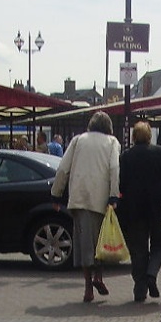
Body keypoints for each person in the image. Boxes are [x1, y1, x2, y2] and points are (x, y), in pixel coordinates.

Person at [50, 111, 120, 303]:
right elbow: (114, 168)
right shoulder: (112, 142)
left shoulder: (77, 140)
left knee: (84, 244)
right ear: (108, 127)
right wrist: (114, 195)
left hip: (79, 198)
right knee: (101, 241)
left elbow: (63, 168)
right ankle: (99, 276)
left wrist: (56, 194)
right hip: (101, 198)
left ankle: (88, 287)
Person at [118, 121, 161, 302]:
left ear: (134, 137)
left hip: (134, 207)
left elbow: (122, 183)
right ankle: (152, 273)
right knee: (160, 244)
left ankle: (140, 288)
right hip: (158, 207)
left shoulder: (126, 156)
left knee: (138, 249)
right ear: (150, 136)